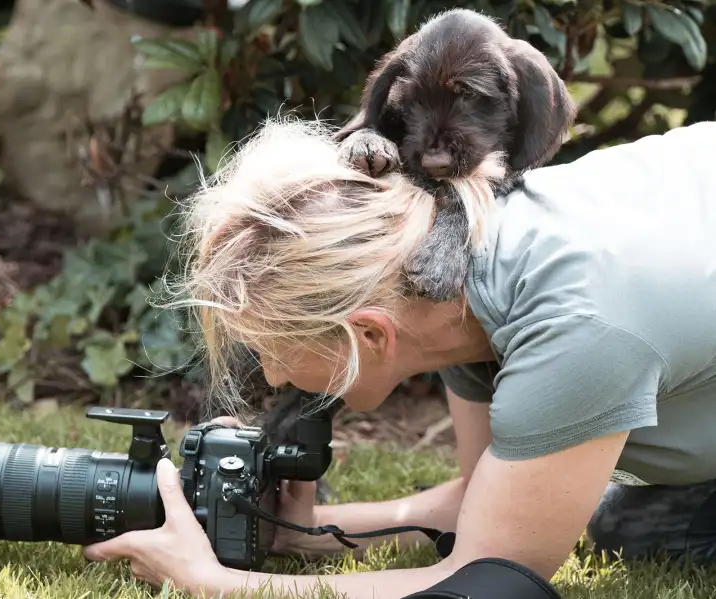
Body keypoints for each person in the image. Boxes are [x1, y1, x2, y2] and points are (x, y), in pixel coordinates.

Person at [81, 115, 716, 598]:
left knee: (639, 527)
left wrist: (224, 584)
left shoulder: (572, 322)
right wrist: (301, 533)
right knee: (638, 528)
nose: (273, 375)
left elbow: (491, 580)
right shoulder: (456, 275)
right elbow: (479, 504)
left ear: (371, 335)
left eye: (275, 351)